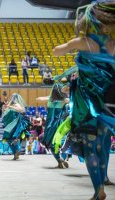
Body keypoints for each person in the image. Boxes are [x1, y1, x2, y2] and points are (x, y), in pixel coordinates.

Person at [52, 2, 115, 199]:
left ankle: (99, 190)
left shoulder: (84, 42)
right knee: (103, 144)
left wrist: (74, 44)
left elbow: (56, 51)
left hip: (86, 104)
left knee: (90, 148)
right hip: (109, 104)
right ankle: (103, 180)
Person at [37, 83, 69, 168]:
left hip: (50, 125)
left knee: (50, 143)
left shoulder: (50, 100)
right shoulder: (64, 100)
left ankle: (59, 160)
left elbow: (38, 99)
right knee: (61, 142)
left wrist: (47, 98)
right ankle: (62, 160)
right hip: (60, 125)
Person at [2, 93, 31, 160]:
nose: (11, 98)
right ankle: (16, 153)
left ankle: (17, 151)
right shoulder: (9, 105)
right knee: (8, 139)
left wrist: (10, 107)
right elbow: (4, 113)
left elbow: (22, 110)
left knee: (14, 138)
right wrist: (4, 108)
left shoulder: (16, 104)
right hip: (9, 125)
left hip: (15, 125)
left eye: (13, 97)